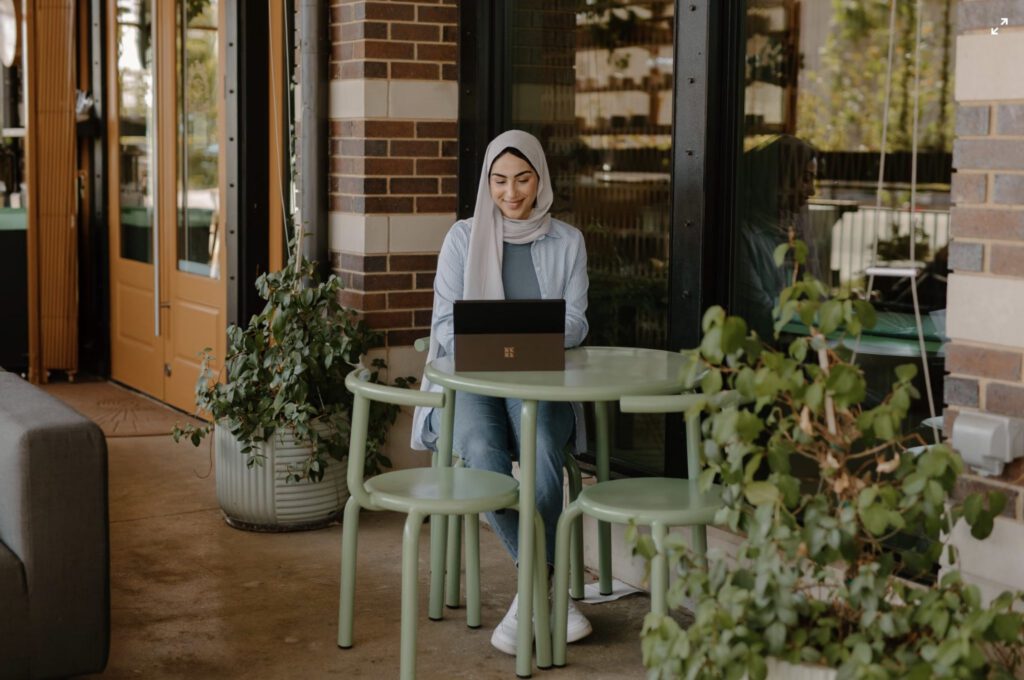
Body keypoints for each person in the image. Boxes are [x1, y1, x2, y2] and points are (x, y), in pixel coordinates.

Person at [409, 130, 593, 655]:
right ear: (487, 183)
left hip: (540, 380)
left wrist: (519, 338)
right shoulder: (462, 238)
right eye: (499, 181)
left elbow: (577, 321)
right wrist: (507, 336)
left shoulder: (569, 241)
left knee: (540, 453)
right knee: (482, 453)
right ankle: (547, 588)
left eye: (523, 179)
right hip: (471, 381)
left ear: (541, 180)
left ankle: (529, 597)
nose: (511, 193)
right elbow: (444, 326)